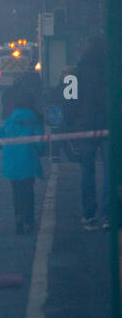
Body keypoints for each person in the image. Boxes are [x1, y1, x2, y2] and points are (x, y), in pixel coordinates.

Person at [66, 35, 107, 229]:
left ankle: (89, 214)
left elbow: (69, 101)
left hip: (83, 128)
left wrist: (68, 128)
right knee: (111, 171)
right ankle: (109, 214)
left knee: (87, 172)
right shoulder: (111, 71)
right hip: (109, 125)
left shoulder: (74, 74)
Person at [0, 91, 46, 235]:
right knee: (28, 191)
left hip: (11, 162)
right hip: (27, 160)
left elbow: (0, 139)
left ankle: (18, 217)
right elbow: (39, 142)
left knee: (16, 191)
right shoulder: (34, 120)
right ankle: (29, 221)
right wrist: (41, 151)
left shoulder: (9, 120)